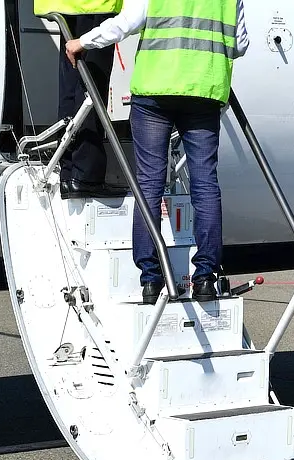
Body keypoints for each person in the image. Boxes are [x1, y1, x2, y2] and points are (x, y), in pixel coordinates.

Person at [65, 0, 248, 304]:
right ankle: (205, 278)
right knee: (205, 185)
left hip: (155, 93)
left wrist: (81, 42)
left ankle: (151, 280)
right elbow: (240, 44)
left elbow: (125, 24)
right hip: (203, 92)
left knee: (149, 184)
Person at [33, 0, 128, 200]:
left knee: (71, 85)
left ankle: (69, 174)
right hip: (94, 5)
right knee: (92, 89)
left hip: (65, 5)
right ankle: (86, 176)